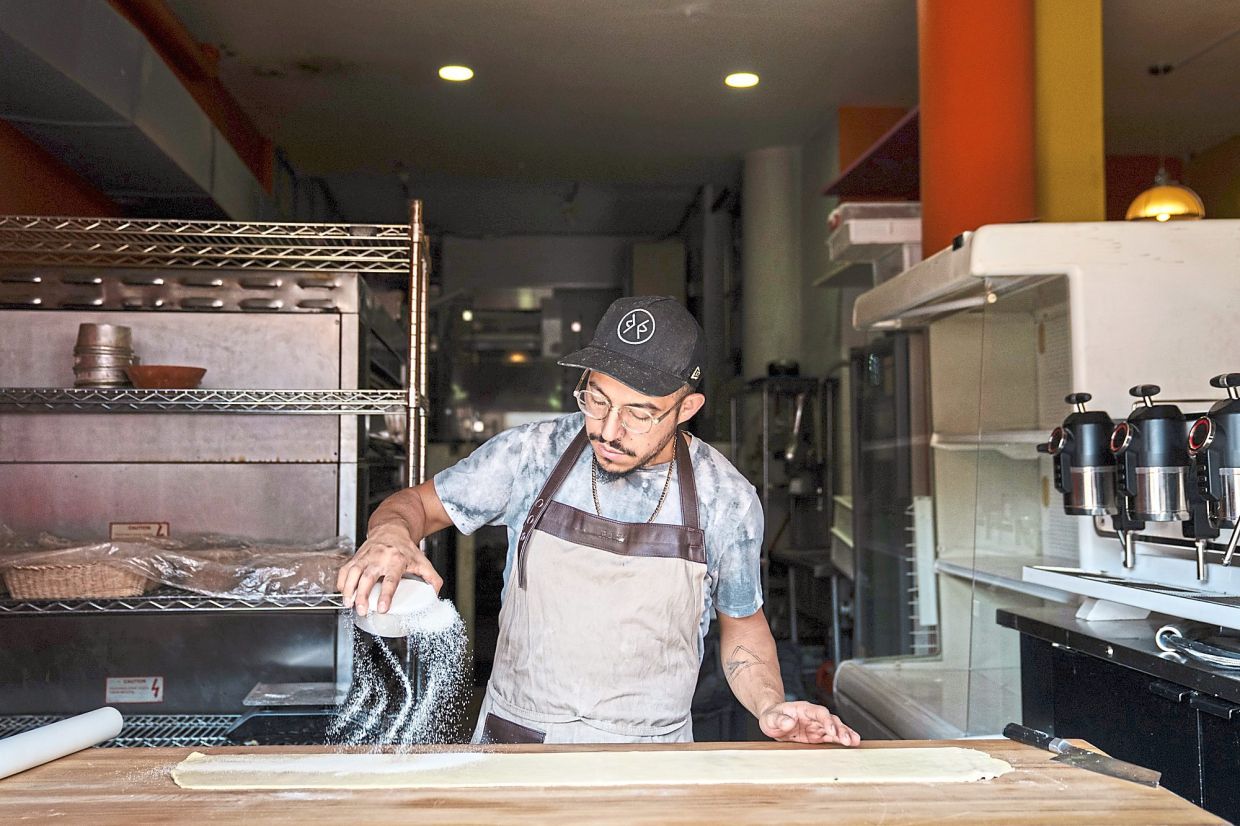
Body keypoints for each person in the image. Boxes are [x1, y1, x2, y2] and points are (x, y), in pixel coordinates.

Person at [337, 295, 859, 747]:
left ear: (687, 408)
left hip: (650, 760)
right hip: (519, 743)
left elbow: (742, 625)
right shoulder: (531, 455)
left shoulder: (726, 499)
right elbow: (417, 505)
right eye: (597, 399)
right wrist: (390, 533)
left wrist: (771, 705)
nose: (610, 429)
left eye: (640, 413)